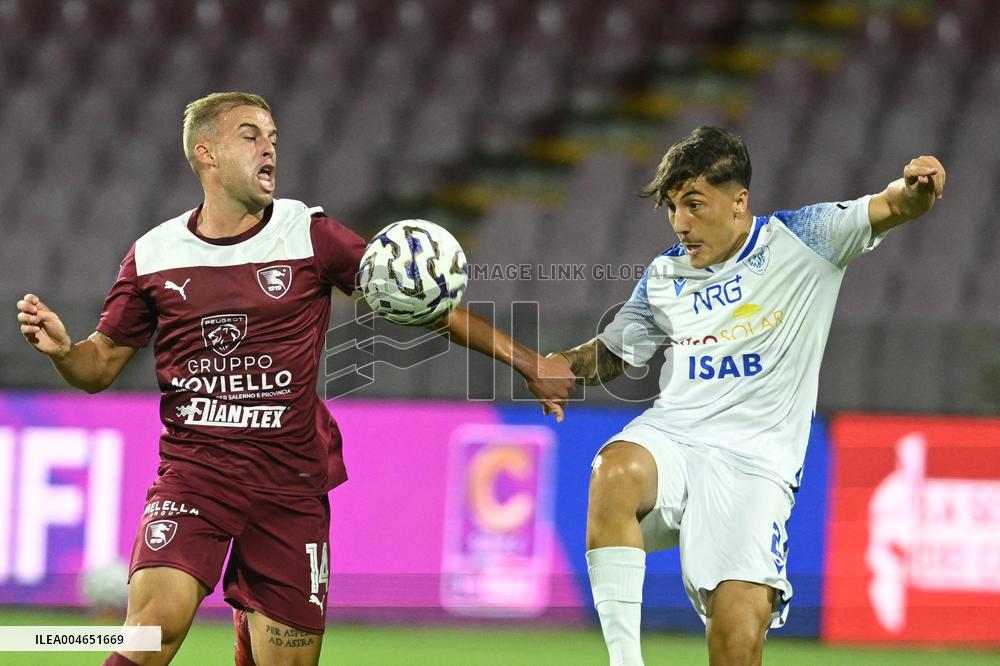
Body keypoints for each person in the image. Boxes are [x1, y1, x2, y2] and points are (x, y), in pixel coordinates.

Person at [15, 91, 574, 666]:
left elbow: (420, 302)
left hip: (290, 486)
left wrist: (528, 363)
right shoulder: (155, 254)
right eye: (251, 135)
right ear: (206, 153)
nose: (269, 149)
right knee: (147, 634)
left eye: (274, 138)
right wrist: (64, 350)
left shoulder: (309, 234)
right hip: (196, 476)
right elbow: (98, 366)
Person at [546, 126, 945, 666]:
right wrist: (562, 365)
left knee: (736, 642)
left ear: (739, 201)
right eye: (671, 207)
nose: (680, 223)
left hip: (756, 465)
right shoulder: (666, 274)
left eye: (693, 204)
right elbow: (615, 354)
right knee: (613, 471)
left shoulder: (806, 239)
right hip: (677, 438)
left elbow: (892, 206)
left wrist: (917, 190)